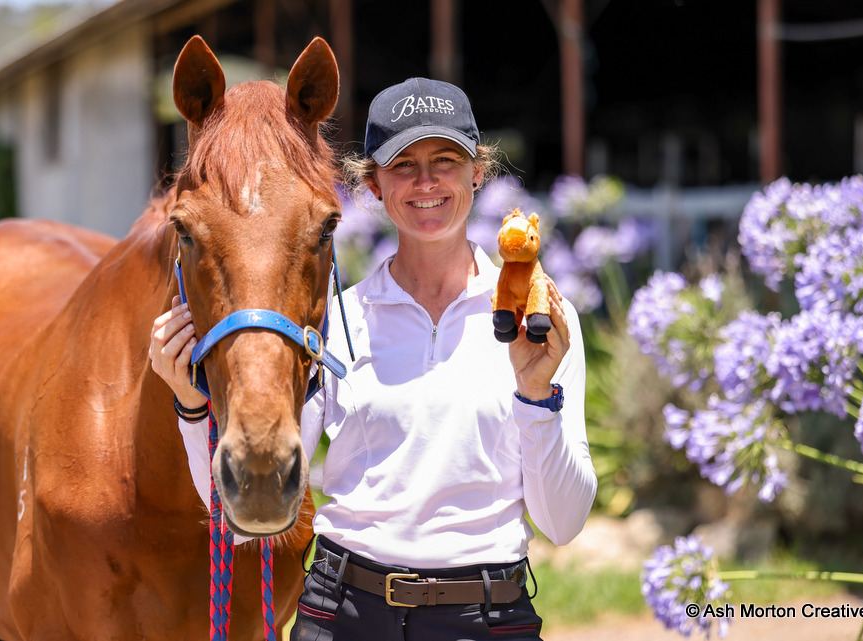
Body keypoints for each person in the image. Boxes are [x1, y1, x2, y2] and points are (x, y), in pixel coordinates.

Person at [150, 77, 597, 641]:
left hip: (486, 619)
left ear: (478, 172)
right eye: (402, 165)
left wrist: (537, 397)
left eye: (446, 159)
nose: (426, 181)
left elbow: (563, 522)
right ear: (373, 187)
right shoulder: (334, 323)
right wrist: (193, 406)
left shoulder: (542, 325)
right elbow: (242, 525)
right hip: (342, 613)